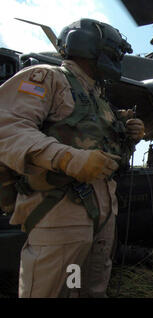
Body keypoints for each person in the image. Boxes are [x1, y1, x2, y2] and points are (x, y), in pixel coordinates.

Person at [0, 19, 144, 298]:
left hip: (102, 213)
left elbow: (108, 150)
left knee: (88, 288)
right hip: (60, 210)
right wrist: (67, 158)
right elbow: (8, 127)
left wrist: (128, 134)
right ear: (91, 46)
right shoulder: (48, 77)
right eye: (115, 50)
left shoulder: (99, 99)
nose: (118, 57)